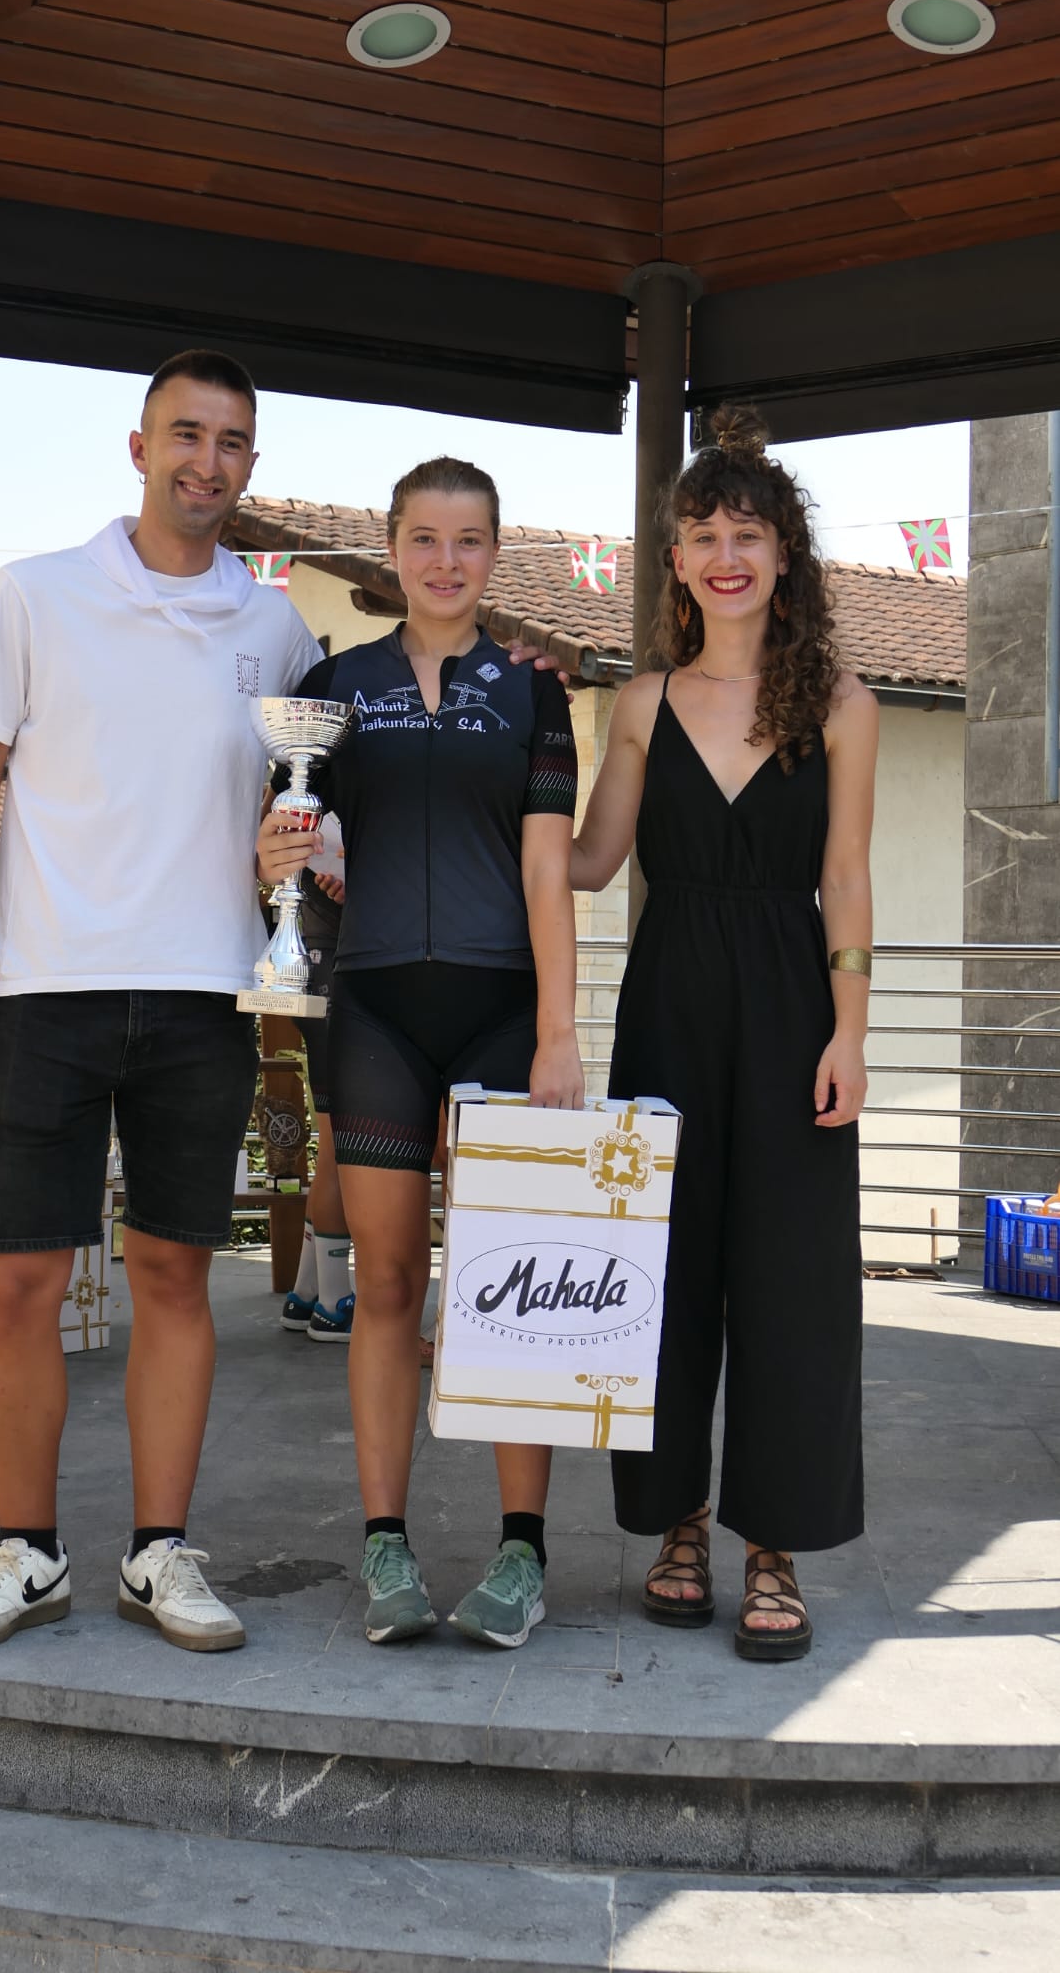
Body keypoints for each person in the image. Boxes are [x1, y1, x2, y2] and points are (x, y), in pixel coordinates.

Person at [0, 349, 322, 1655]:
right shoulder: (37, 594)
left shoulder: (277, 631)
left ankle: (158, 1554)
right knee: (21, 1282)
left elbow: (305, 810)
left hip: (207, 995)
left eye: (232, 442)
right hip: (47, 989)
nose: (209, 461)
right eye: (187, 434)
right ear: (141, 447)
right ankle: (27, 1553)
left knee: (172, 1275)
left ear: (249, 464)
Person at [258, 457, 583, 1650]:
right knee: (389, 1284)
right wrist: (271, 857)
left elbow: (548, 868)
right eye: (426, 539)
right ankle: (385, 1542)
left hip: (504, 1013)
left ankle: (521, 1549)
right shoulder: (334, 685)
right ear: (393, 549)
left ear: (496, 552)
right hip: (376, 1011)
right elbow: (282, 834)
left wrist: (560, 1030)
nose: (447, 561)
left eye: (470, 540)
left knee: (510, 1285)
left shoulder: (533, 690)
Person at [570, 405, 877, 1662]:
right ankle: (678, 1524)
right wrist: (502, 764)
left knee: (793, 1279)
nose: (726, 554)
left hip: (796, 1003)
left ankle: (776, 1545)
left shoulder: (844, 703)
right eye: (702, 533)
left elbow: (846, 876)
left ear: (784, 553)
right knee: (664, 1271)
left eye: (747, 533)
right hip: (670, 999)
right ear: (677, 561)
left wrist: (851, 1031)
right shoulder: (640, 700)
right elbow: (589, 859)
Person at [279, 837, 356, 1343]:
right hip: (330, 960)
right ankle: (333, 1302)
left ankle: (307, 1292)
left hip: (314, 957)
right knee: (338, 1150)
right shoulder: (320, 802)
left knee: (333, 1146)